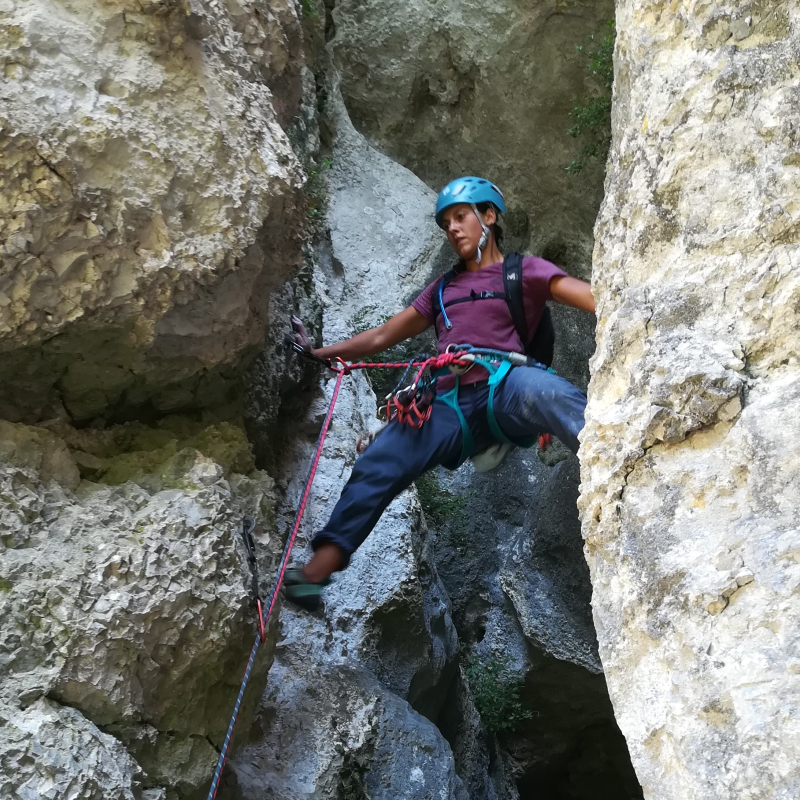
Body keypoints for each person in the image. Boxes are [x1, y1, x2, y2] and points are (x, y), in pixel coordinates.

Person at [285, 177, 595, 610]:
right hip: (447, 399)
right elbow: (382, 337)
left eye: (461, 216)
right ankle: (311, 578)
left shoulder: (523, 271)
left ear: (489, 216)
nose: (452, 228)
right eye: (446, 222)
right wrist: (319, 353)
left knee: (547, 391)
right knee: (381, 458)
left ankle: (617, 466)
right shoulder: (443, 290)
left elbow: (595, 297)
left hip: (503, 382)